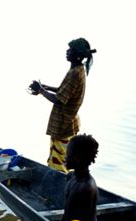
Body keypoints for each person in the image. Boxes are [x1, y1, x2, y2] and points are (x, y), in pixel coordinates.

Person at [29, 38, 96, 172]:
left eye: (70, 50)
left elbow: (59, 99)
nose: (67, 51)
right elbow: (64, 90)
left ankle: (58, 186)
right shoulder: (77, 69)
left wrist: (41, 91)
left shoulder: (74, 74)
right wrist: (46, 87)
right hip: (68, 122)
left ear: (77, 55)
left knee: (60, 163)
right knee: (62, 158)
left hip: (64, 124)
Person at [58, 134, 99, 221]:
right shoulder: (71, 176)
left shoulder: (83, 188)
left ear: (78, 158)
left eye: (68, 154)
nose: (65, 157)